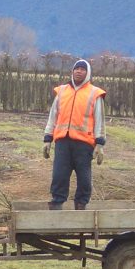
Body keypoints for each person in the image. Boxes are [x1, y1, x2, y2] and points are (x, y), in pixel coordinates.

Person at [43, 59, 106, 210]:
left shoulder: (94, 93)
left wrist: (100, 143)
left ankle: (81, 205)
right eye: (76, 68)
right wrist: (47, 138)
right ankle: (57, 204)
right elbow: (53, 115)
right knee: (59, 176)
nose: (79, 71)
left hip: (84, 144)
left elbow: (100, 119)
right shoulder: (62, 91)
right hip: (62, 142)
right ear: (72, 71)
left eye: (82, 69)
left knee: (84, 178)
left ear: (88, 73)